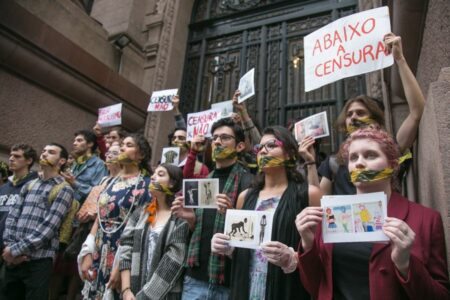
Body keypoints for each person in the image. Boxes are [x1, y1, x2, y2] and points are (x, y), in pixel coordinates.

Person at [295, 129, 449, 299]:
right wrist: (308, 244)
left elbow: (440, 295)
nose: (359, 163)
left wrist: (406, 264)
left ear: (392, 165)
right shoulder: (331, 215)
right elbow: (314, 286)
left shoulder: (426, 219)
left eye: (370, 155)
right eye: (353, 158)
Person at [300, 33, 425, 195]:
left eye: (360, 113)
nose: (353, 117)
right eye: (349, 114)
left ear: (375, 118)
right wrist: (310, 162)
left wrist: (400, 59)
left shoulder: (392, 148)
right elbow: (318, 199)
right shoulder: (333, 162)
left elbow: (417, 112)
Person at [211, 126, 322, 299]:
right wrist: (227, 246)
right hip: (245, 289)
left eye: (271, 145)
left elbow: (322, 253)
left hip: (287, 289)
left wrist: (293, 258)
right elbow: (243, 249)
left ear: (289, 154)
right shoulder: (244, 196)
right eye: (259, 147)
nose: (263, 150)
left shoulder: (309, 194)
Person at [171, 117, 253, 299]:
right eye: (215, 137)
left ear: (239, 147)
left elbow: (250, 238)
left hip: (228, 283)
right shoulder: (203, 181)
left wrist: (232, 215)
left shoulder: (249, 183)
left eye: (224, 137)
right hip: (194, 280)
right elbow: (198, 229)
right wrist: (190, 219)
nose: (217, 141)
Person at [79, 134, 152, 299]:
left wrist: (121, 267)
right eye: (121, 145)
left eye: (128, 145)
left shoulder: (146, 185)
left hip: (123, 252)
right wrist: (88, 251)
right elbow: (99, 218)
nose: (122, 148)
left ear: (141, 155)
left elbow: (141, 229)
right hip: (99, 248)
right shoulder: (109, 182)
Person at [2, 143, 74, 299]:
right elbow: (12, 217)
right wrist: (9, 247)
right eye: (44, 151)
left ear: (61, 161)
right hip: (13, 259)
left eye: (51, 152)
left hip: (39, 261)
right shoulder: (29, 185)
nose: (45, 154)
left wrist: (14, 251)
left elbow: (48, 229)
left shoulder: (64, 189)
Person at [119, 163, 189, 299]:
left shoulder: (180, 218)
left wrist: (144, 297)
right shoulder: (140, 213)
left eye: (160, 174)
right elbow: (125, 248)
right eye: (154, 173)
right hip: (132, 292)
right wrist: (126, 290)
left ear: (172, 184)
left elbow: (174, 261)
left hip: (165, 295)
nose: (153, 177)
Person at [63, 129, 108, 204]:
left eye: (79, 140)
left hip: (81, 210)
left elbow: (97, 193)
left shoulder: (99, 164)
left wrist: (74, 183)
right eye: (75, 141)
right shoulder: (76, 162)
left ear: (90, 144)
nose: (74, 143)